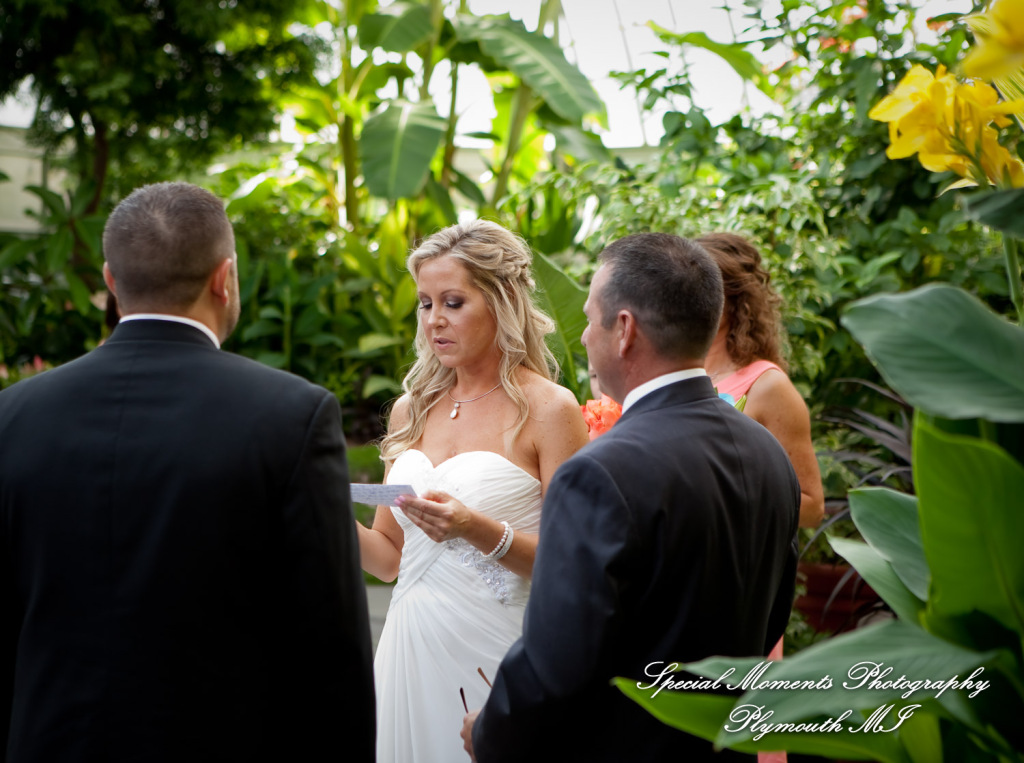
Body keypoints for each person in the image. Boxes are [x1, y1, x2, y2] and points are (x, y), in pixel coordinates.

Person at [0, 182, 375, 761]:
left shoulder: (15, 415)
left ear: (110, 281)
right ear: (224, 279)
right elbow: (330, 645)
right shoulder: (291, 416)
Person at [461, 232, 800, 762]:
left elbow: (561, 655)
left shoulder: (600, 471)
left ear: (623, 331)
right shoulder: (767, 454)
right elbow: (772, 612)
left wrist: (492, 734)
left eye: (592, 320)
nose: (585, 339)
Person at [357, 220, 589, 763]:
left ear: (503, 301)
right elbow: (388, 560)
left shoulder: (551, 409)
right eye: (425, 303)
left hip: (497, 649)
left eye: (453, 302)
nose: (434, 319)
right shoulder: (409, 411)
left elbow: (570, 564)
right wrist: (316, 511)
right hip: (407, 648)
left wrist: (473, 527)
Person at [697, 232, 825, 529]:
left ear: (734, 300)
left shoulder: (767, 385)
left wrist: (724, 494)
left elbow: (812, 507)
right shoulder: (672, 371)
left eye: (702, 288)